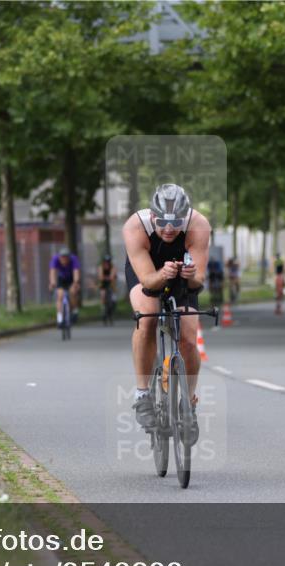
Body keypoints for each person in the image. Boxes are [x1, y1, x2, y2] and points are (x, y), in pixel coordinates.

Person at [123, 183, 211, 443]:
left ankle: (188, 406)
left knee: (188, 336)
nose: (169, 228)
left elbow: (198, 282)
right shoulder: (135, 227)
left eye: (176, 222)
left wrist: (191, 276)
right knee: (147, 319)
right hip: (147, 273)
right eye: (162, 222)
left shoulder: (199, 225)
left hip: (183, 275)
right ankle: (142, 396)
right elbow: (149, 282)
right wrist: (162, 274)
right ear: (152, 216)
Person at [49, 247, 80, 327]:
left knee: (73, 292)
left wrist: (75, 283)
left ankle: (74, 311)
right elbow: (52, 272)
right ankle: (59, 319)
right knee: (60, 296)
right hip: (61, 278)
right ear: (59, 257)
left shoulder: (73, 259)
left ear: (69, 257)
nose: (64, 260)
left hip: (71, 278)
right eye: (62, 258)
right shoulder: (55, 259)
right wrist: (52, 283)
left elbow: (76, 272)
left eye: (66, 258)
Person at [97, 253, 117, 318]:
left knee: (113, 288)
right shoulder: (101, 267)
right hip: (103, 283)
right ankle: (103, 308)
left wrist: (107, 277)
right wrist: (105, 278)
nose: (107, 263)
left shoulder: (112, 267)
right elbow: (100, 277)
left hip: (111, 283)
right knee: (103, 294)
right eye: (105, 261)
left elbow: (112, 276)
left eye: (108, 262)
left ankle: (114, 299)